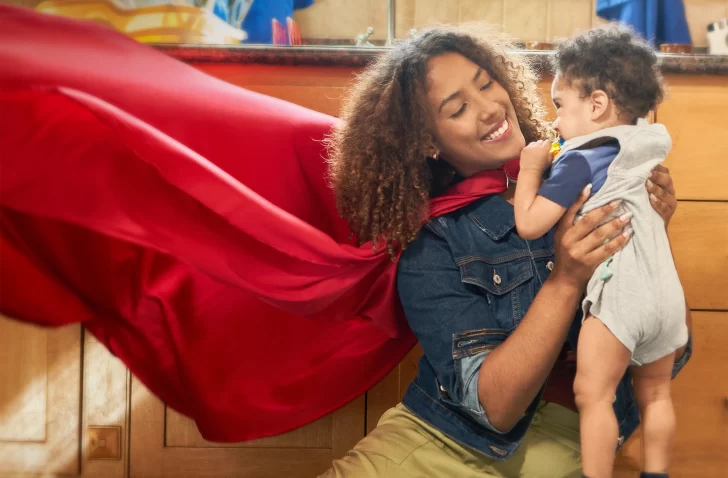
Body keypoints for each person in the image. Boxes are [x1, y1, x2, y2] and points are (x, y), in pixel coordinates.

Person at [321, 23, 691, 477]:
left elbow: (671, 353)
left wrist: (653, 230)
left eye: (486, 83)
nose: (490, 109)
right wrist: (567, 279)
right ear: (428, 143)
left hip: (561, 442)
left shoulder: (592, 171)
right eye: (458, 108)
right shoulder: (433, 242)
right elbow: (494, 408)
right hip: (435, 438)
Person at [513, 27, 687, 478]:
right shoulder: (646, 145)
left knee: (594, 396)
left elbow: (531, 222)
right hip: (666, 296)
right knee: (657, 395)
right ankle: (656, 473)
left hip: (621, 297)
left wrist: (531, 169)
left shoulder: (582, 156)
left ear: (596, 105)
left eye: (559, 105)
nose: (554, 122)